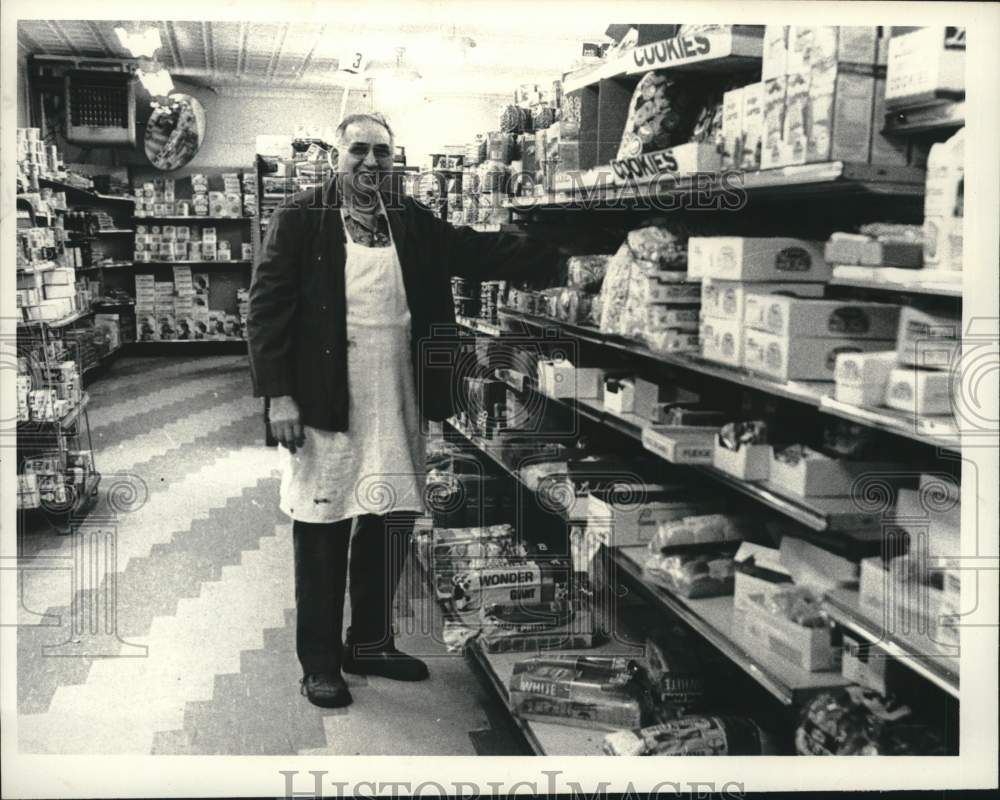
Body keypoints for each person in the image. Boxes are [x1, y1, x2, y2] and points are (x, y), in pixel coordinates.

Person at [247, 112, 562, 709]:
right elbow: (265, 311)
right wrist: (278, 395)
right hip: (324, 398)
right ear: (337, 156)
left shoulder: (407, 218)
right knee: (323, 527)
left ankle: (369, 643)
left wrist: (565, 255)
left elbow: (474, 249)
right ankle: (320, 664)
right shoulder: (300, 217)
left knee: (388, 521)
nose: (371, 162)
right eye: (359, 150)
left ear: (394, 160)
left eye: (382, 153)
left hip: (398, 394)